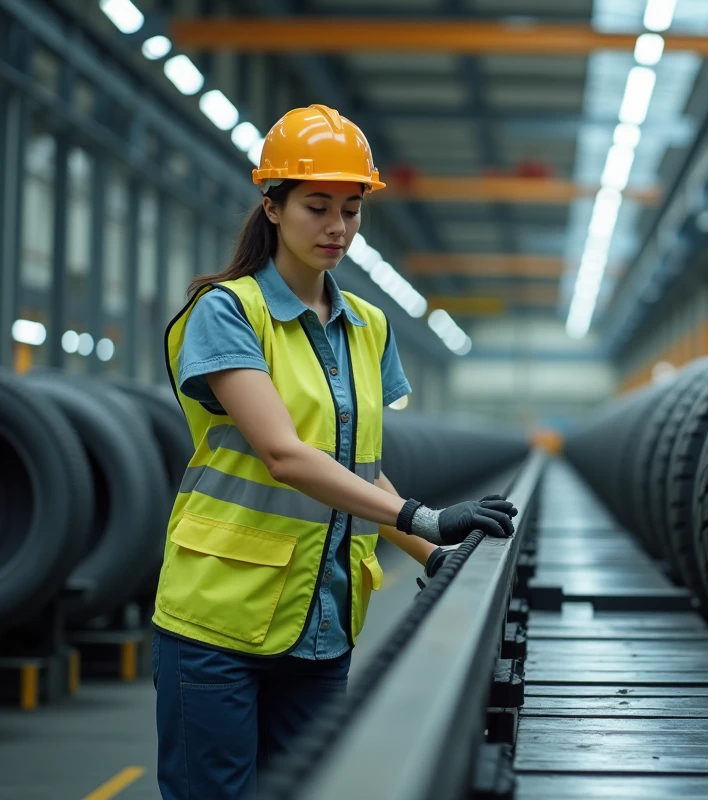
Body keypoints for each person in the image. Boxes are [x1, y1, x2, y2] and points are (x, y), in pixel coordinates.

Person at [151, 104, 518, 800]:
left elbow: (361, 473)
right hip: (218, 623)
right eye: (317, 206)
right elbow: (285, 456)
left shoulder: (368, 326)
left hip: (322, 625)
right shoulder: (228, 312)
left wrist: (433, 555)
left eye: (351, 210)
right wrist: (424, 518)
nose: (337, 228)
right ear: (272, 206)